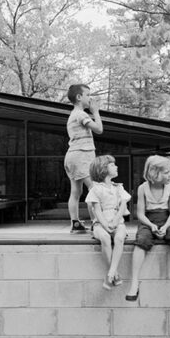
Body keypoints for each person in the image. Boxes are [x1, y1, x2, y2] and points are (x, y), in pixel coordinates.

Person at [125, 155, 170, 302]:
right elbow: (139, 213)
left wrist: (165, 226)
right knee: (141, 242)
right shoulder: (142, 188)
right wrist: (151, 226)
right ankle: (134, 283)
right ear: (154, 173)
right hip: (148, 221)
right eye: (166, 172)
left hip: (167, 220)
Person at [85, 154, 130, 290]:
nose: (116, 167)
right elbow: (97, 210)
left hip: (118, 222)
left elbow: (123, 206)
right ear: (103, 169)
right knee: (104, 237)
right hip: (100, 223)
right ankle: (115, 273)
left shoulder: (119, 188)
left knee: (119, 237)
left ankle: (110, 273)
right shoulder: (96, 189)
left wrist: (115, 222)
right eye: (112, 165)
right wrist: (105, 225)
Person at [64, 83, 103, 233]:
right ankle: (96, 222)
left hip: (72, 156)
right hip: (81, 155)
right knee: (94, 189)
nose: (90, 98)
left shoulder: (73, 115)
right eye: (88, 95)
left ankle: (75, 223)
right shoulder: (81, 114)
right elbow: (99, 129)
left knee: (76, 192)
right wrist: (96, 112)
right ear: (79, 97)